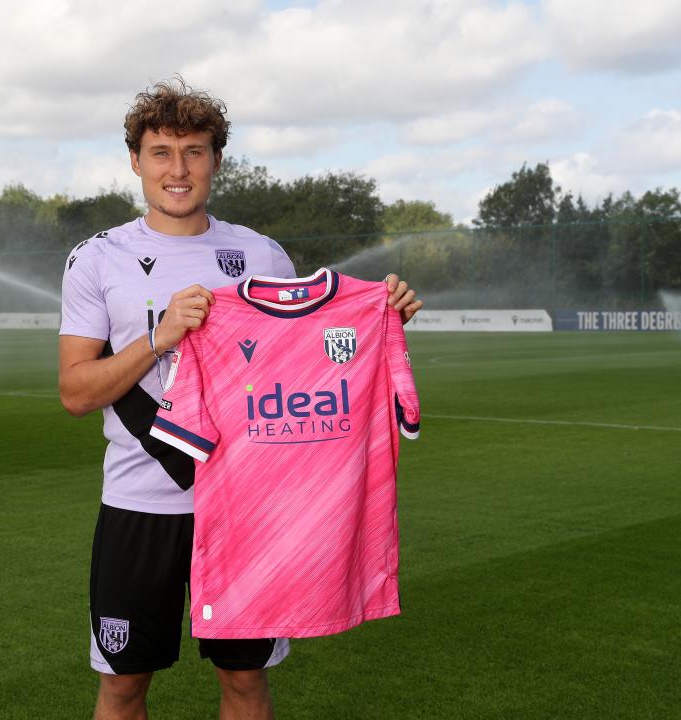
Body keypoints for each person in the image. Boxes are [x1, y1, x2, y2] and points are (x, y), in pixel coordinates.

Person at [58, 78, 422, 720]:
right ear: (135, 161)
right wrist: (160, 335)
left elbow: (311, 367)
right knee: (122, 686)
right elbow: (75, 393)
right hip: (140, 505)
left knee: (246, 683)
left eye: (195, 151)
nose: (179, 169)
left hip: (250, 514)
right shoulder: (96, 260)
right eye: (162, 152)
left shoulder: (262, 256)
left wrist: (377, 324)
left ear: (217, 161)